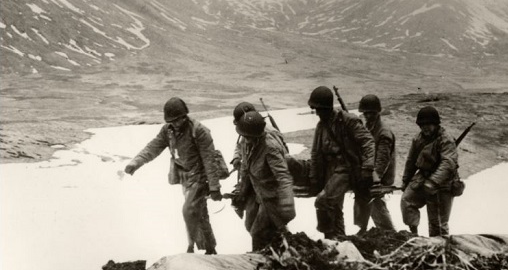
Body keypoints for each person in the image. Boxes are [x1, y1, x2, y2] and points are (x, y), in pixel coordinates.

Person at [124, 97, 224, 254]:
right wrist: (136, 162)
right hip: (184, 177)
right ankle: (210, 249)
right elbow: (153, 147)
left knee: (189, 210)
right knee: (199, 212)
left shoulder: (199, 131)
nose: (176, 123)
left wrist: (214, 187)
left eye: (179, 119)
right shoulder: (168, 130)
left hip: (199, 176)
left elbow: (209, 161)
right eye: (173, 121)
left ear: (185, 116)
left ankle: (191, 247)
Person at [307, 86, 377, 239]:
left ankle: (330, 235)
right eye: (315, 110)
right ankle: (336, 239)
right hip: (329, 168)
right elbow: (315, 154)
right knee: (335, 208)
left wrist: (367, 167)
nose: (317, 113)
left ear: (327, 108)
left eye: (319, 109)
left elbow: (368, 142)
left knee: (323, 201)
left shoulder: (348, 121)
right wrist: (314, 178)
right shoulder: (321, 126)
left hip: (347, 168)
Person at [235, 111, 295, 251]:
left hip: (274, 198)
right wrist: (241, 192)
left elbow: (283, 176)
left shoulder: (270, 147)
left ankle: (260, 261)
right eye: (244, 136)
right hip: (260, 194)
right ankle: (274, 251)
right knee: (250, 225)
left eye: (248, 137)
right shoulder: (246, 140)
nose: (245, 139)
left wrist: (287, 203)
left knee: (258, 232)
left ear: (257, 135)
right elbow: (246, 167)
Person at [400, 106, 459, 237]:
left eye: (428, 124)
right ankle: (413, 235)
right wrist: (406, 181)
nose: (425, 128)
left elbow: (448, 163)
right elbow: (411, 161)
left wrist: (433, 182)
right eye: (422, 125)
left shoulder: (446, 139)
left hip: (443, 183)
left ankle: (439, 249)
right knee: (407, 201)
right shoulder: (418, 139)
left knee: (437, 223)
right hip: (424, 177)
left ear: (435, 124)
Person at [354, 94, 396, 234]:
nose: (367, 116)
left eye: (371, 113)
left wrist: (374, 179)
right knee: (360, 191)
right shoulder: (370, 128)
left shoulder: (383, 133)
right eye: (365, 113)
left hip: (381, 176)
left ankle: (388, 230)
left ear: (378, 113)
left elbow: (382, 161)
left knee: (373, 196)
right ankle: (362, 227)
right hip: (371, 172)